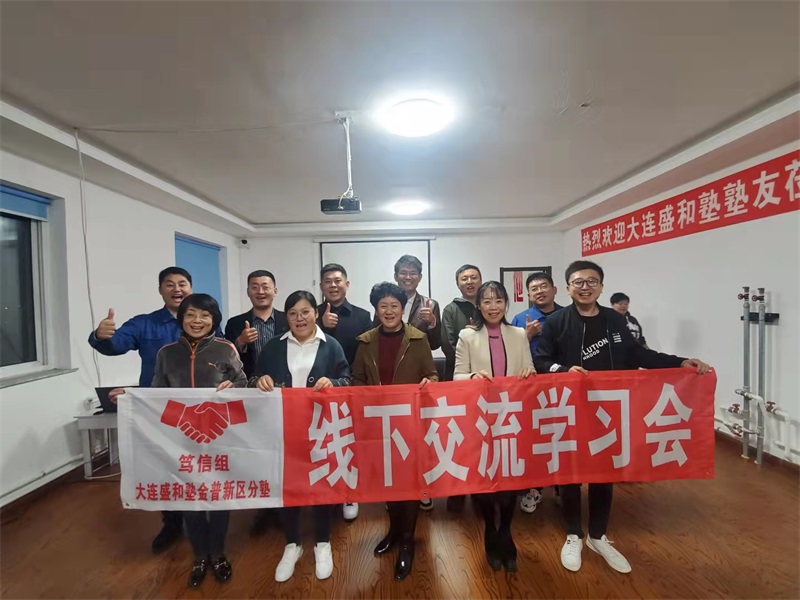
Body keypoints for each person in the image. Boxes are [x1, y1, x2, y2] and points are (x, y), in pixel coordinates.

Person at [534, 260, 711, 575]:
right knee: (571, 474)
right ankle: (574, 534)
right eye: (579, 282)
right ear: (568, 288)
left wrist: (680, 361)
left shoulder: (615, 321)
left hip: (608, 410)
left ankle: (598, 536)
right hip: (570, 409)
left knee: (604, 472)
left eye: (592, 281)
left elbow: (639, 354)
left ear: (601, 287)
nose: (585, 287)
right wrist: (563, 370)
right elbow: (541, 359)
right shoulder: (557, 321)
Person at [87, 266, 206, 553]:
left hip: (197, 408)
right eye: (170, 284)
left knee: (198, 464)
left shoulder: (204, 322)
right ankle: (171, 523)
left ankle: (202, 518)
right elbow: (117, 344)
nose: (177, 289)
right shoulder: (145, 324)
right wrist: (101, 336)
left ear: (191, 288)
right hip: (158, 410)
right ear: (160, 290)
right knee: (166, 466)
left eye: (182, 283)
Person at [252, 290, 350, 583]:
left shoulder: (331, 345)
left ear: (316, 314)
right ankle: (292, 544)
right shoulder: (273, 346)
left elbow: (347, 379)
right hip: (283, 428)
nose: (299, 318)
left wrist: (332, 383)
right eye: (293, 313)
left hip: (320, 427)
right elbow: (255, 377)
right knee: (289, 486)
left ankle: (322, 543)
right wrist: (260, 381)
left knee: (321, 486)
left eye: (305, 312)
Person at [151, 293, 246, 589]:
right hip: (182, 439)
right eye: (191, 314)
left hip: (219, 437)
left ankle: (217, 553)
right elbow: (155, 395)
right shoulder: (166, 354)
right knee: (189, 499)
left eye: (205, 315)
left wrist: (236, 385)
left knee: (218, 497)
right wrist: (128, 396)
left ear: (214, 320)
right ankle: (200, 556)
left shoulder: (226, 349)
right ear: (181, 318)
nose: (197, 321)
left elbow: (243, 382)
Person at [352, 282, 438, 581]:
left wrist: (429, 383)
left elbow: (432, 374)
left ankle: (407, 541)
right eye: (383, 306)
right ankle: (393, 530)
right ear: (376, 310)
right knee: (387, 481)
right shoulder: (365, 341)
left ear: (403, 309)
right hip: (378, 423)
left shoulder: (418, 339)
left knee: (409, 483)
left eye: (394, 306)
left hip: (409, 423)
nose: (389, 311)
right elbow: (357, 379)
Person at [454, 281, 536, 572]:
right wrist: (473, 377)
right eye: (487, 301)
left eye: (498, 301)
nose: (493, 307)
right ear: (478, 305)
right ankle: (490, 527)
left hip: (511, 417)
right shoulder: (467, 336)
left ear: (506, 304)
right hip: (480, 417)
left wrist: (528, 372)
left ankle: (506, 531)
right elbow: (457, 376)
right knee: (486, 478)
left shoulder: (518, 334)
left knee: (510, 479)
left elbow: (530, 369)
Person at [224, 269, 288, 536]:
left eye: (265, 286)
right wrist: (239, 342)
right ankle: (265, 508)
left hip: (284, 395)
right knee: (258, 452)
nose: (261, 291)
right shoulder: (235, 323)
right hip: (250, 395)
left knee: (284, 450)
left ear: (275, 290)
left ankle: (286, 506)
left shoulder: (288, 318)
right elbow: (225, 360)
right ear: (248, 291)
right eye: (255, 287)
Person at [316, 263, 372, 521]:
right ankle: (325, 493)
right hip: (317, 391)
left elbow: (367, 355)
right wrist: (321, 325)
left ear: (347, 284)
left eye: (338, 280)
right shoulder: (311, 314)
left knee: (349, 442)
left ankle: (350, 492)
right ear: (321, 286)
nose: (333, 285)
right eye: (328, 281)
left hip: (351, 390)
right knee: (322, 442)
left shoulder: (362, 316)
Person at [510, 271, 563, 514]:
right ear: (528, 295)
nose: (539, 291)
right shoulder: (520, 319)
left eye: (544, 286)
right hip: (532, 388)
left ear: (554, 289)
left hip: (563, 387)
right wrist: (527, 335)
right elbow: (511, 353)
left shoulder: (568, 315)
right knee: (535, 439)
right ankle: (535, 487)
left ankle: (564, 485)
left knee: (563, 436)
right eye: (534, 289)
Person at [436, 263, 482, 512]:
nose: (470, 282)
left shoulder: (488, 305)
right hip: (459, 378)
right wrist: (469, 365)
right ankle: (456, 489)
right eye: (465, 278)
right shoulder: (451, 309)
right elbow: (447, 344)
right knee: (457, 434)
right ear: (458, 284)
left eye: (474, 277)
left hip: (485, 380)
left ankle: (479, 487)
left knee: (481, 433)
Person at [388, 254, 442, 350]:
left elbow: (435, 345)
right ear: (395, 276)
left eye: (413, 273)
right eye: (403, 273)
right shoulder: (385, 304)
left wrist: (432, 323)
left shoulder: (431, 305)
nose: (408, 277)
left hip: (418, 358)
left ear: (420, 277)